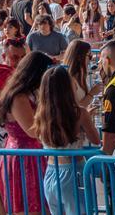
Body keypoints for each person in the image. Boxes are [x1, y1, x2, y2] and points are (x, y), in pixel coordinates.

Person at [0, 51, 53, 215]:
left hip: (34, 154)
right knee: (28, 207)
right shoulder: (18, 97)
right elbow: (32, 130)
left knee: (43, 207)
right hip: (24, 158)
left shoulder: (31, 93)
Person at [35, 66, 99, 215]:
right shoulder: (79, 112)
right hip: (74, 172)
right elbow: (95, 139)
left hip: (50, 172)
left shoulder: (41, 114)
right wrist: (87, 121)